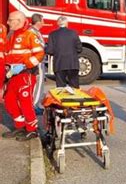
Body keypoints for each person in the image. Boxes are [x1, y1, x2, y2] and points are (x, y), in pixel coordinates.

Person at [2, 11, 45, 141]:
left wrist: (25, 66)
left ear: (19, 21)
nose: (8, 23)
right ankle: (20, 126)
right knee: (9, 101)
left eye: (10, 20)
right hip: (12, 75)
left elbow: (40, 54)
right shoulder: (12, 34)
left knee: (26, 103)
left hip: (25, 74)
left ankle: (32, 129)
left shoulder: (29, 35)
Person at [46, 16, 82, 88]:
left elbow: (49, 50)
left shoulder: (52, 34)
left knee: (61, 88)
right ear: (67, 24)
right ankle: (74, 98)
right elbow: (79, 48)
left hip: (59, 64)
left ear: (58, 24)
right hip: (72, 64)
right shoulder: (73, 33)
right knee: (74, 87)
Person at [29, 14, 46, 114]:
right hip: (37, 62)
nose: (44, 23)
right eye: (42, 20)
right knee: (38, 84)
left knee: (38, 84)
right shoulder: (33, 33)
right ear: (38, 21)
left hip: (38, 61)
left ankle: (35, 104)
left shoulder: (35, 32)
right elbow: (40, 46)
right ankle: (34, 106)